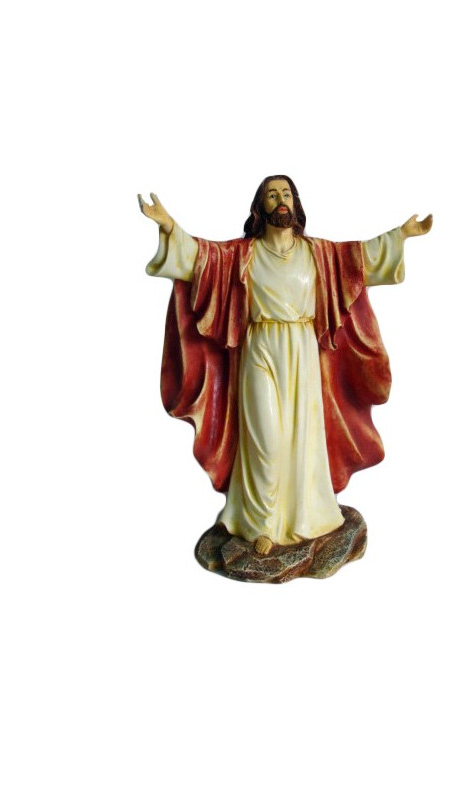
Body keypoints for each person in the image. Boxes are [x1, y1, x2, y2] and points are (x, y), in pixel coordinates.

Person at [140, 176, 432, 554]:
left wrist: (402, 234)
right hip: (259, 347)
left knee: (301, 436)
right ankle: (261, 523)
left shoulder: (318, 253)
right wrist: (168, 225)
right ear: (260, 206)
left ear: (295, 203)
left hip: (302, 349)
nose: (281, 200)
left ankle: (304, 516)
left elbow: (360, 257)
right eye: (272, 194)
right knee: (265, 438)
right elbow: (200, 257)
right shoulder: (242, 255)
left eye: (286, 194)